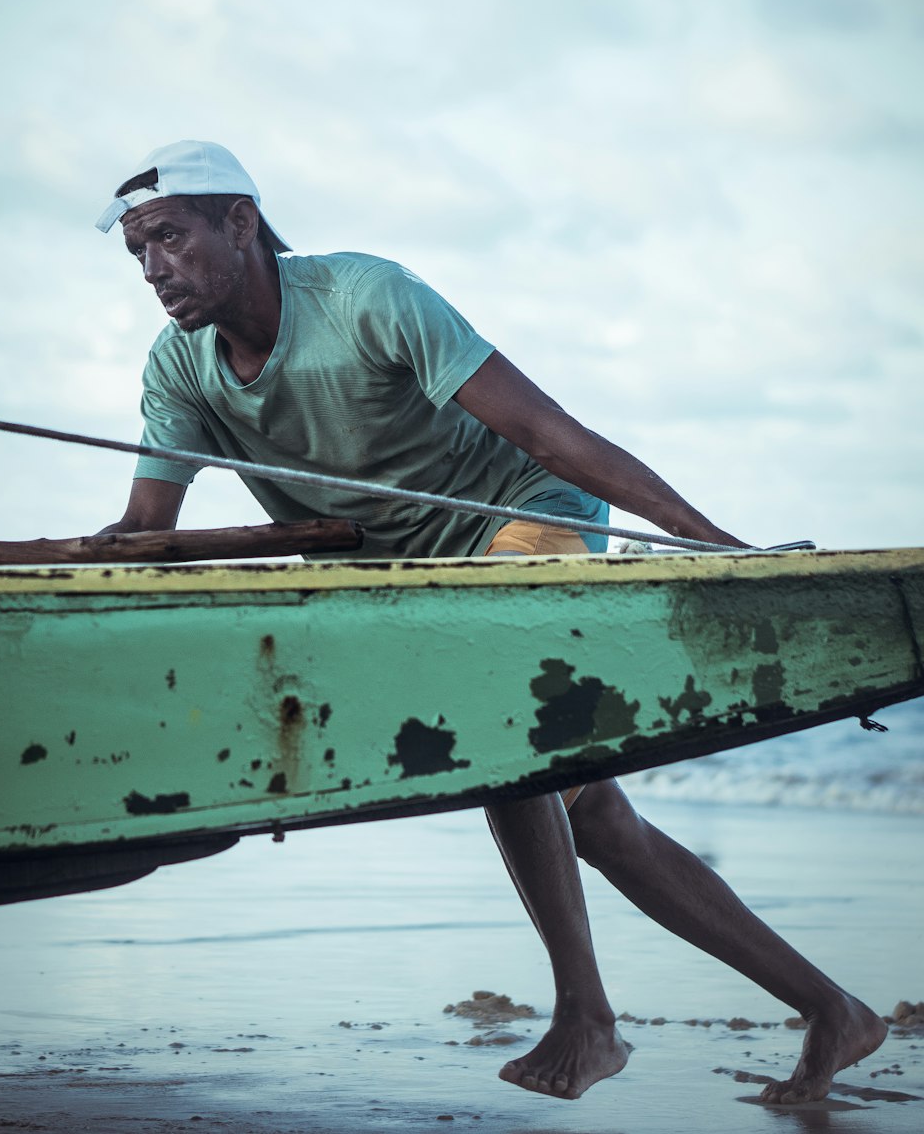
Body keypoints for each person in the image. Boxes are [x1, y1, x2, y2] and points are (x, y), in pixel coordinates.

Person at [96, 139, 886, 1105]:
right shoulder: (180, 371)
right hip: (407, 576)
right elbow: (148, 534)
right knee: (592, 813)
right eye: (136, 251)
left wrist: (714, 543)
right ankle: (834, 1010)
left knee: (500, 737)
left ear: (240, 223)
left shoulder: (366, 298)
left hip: (523, 515)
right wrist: (82, 557)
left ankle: (588, 1016)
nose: (153, 269)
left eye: (169, 237)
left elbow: (548, 432)